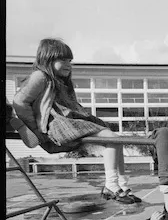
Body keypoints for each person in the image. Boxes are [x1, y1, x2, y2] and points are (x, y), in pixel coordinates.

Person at [12, 38, 141, 204]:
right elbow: (20, 102)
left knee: (116, 140)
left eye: (69, 61)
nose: (68, 64)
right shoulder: (40, 76)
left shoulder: (62, 81)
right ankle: (111, 185)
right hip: (56, 124)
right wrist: (34, 129)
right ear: (47, 59)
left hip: (69, 119)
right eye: (62, 60)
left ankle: (121, 185)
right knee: (112, 139)